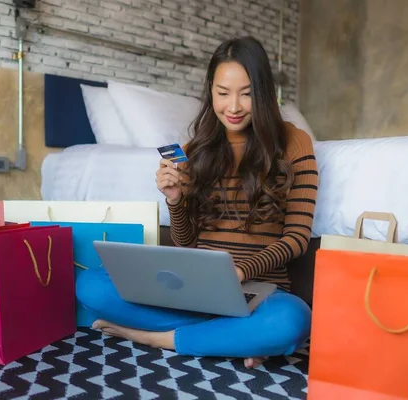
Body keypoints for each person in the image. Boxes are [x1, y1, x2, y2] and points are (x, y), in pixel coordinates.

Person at [76, 36, 318, 369]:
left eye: (246, 94)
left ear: (262, 92)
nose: (233, 107)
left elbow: (297, 239)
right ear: (210, 91)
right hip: (196, 293)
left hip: (260, 294)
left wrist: (241, 271)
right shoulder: (194, 151)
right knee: (90, 285)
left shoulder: (294, 142)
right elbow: (186, 242)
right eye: (222, 93)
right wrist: (174, 200)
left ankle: (153, 338)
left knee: (293, 320)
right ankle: (233, 339)